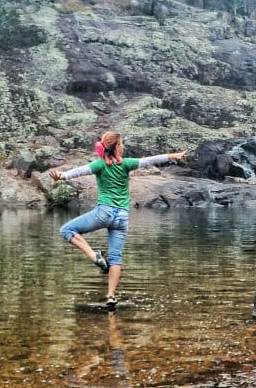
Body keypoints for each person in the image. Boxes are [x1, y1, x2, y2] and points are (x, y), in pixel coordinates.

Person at [49, 131, 188, 310]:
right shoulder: (127, 164)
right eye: (121, 143)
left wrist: (61, 176)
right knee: (115, 258)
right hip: (122, 217)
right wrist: (173, 156)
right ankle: (111, 296)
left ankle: (95, 256)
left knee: (66, 230)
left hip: (104, 213)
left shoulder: (100, 164)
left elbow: (77, 173)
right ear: (115, 146)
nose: (123, 146)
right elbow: (150, 160)